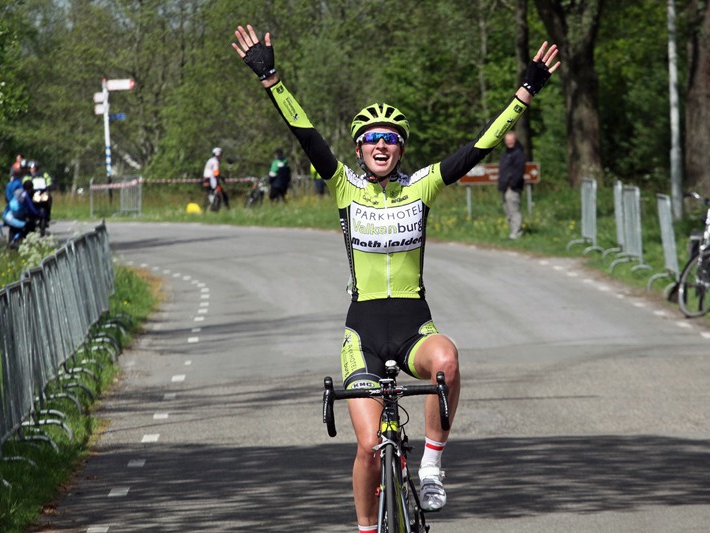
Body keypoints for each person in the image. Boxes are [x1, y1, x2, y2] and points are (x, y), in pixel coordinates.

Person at [233, 24, 559, 531]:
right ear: (360, 148)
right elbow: (306, 134)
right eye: (371, 139)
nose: (381, 145)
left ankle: (430, 468)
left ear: (400, 150)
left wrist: (525, 92)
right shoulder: (342, 185)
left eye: (390, 139)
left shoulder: (422, 186)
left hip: (413, 328)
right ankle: (367, 527)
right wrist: (272, 79)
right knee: (367, 446)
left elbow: (479, 146)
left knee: (446, 359)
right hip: (362, 334)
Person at [498, 131, 526, 239]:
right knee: (508, 211)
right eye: (507, 140)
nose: (509, 142)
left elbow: (518, 171)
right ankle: (512, 232)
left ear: (515, 140)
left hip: (513, 187)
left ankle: (517, 232)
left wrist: (512, 184)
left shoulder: (518, 154)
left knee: (514, 210)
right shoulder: (505, 154)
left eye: (511, 140)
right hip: (504, 187)